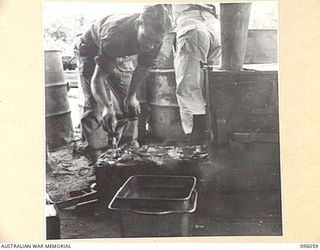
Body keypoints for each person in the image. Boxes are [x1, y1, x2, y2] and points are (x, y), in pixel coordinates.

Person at [74, 4, 171, 169]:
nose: (150, 46)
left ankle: (128, 156)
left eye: (155, 42)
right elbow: (98, 79)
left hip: (120, 50)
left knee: (129, 105)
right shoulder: (115, 37)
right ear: (139, 24)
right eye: (147, 39)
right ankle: (99, 162)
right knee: (94, 105)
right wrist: (106, 107)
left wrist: (131, 96)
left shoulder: (155, 37)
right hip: (90, 49)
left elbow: (142, 68)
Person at [172, 4, 221, 143]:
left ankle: (197, 141)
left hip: (192, 23)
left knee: (190, 85)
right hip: (216, 26)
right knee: (215, 84)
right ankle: (210, 143)